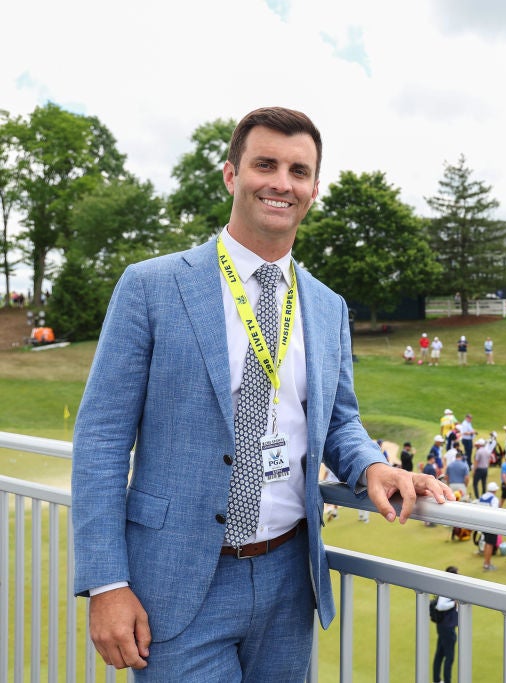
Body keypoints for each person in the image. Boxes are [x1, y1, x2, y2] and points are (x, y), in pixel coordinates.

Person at [71, 107, 452, 677]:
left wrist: (372, 466)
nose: (282, 183)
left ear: (314, 189)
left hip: (289, 581)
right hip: (177, 584)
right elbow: (101, 440)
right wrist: (107, 582)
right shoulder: (150, 287)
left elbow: (337, 422)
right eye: (265, 164)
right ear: (231, 175)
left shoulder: (327, 306)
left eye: (299, 171)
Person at [432, 566, 459, 683]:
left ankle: (437, 680)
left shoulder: (445, 587)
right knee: (449, 657)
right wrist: (454, 603)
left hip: (444, 626)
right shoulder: (446, 589)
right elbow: (440, 605)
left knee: (440, 654)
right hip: (447, 628)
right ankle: (447, 681)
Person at [477, 482, 500, 571]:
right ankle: (487, 564)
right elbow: (495, 512)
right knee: (490, 544)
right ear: (494, 490)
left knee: (487, 543)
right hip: (491, 524)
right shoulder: (494, 499)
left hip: (483, 523)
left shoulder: (482, 497)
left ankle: (486, 563)